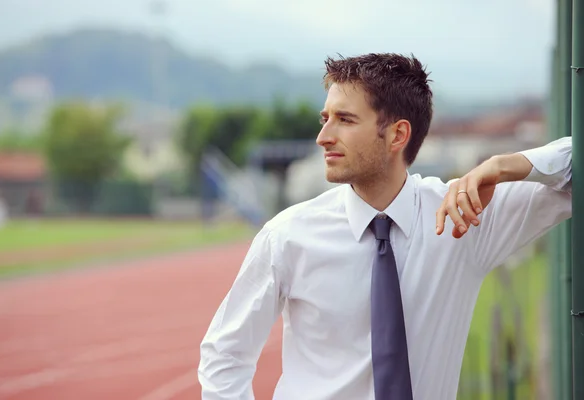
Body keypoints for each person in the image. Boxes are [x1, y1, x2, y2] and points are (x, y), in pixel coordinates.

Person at [198, 53, 572, 400]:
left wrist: (504, 166)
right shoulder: (288, 235)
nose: (323, 136)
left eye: (344, 120)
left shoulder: (465, 216)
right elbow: (224, 356)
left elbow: (574, 170)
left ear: (397, 134)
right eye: (324, 118)